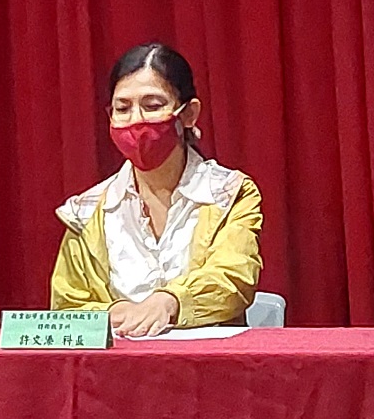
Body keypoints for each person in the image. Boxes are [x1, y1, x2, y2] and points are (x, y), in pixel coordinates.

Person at [51, 43, 263, 337]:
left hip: (209, 360)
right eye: (122, 109)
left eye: (152, 106)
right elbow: (67, 306)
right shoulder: (84, 212)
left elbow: (234, 278)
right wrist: (115, 313)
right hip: (119, 362)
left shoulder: (230, 193)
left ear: (189, 114)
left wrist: (169, 302)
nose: (136, 120)